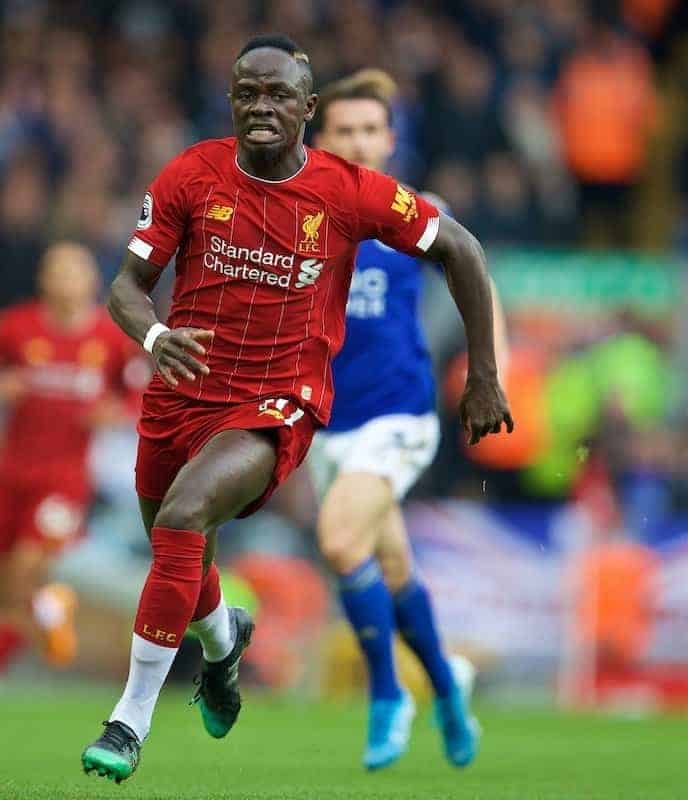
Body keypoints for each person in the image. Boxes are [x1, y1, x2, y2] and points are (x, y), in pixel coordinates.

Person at [80, 35, 512, 784]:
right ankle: (223, 646)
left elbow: (463, 250)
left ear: (306, 109)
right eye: (249, 93)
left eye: (279, 95)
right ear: (232, 101)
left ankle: (129, 721)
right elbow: (125, 284)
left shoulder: (350, 192)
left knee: (186, 517)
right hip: (180, 394)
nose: (262, 108)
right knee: (179, 548)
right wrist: (154, 334)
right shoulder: (191, 173)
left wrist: (483, 375)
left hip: (280, 402)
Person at [306, 68, 510, 771]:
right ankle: (449, 688)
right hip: (324, 424)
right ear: (320, 139)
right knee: (390, 565)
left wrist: (491, 375)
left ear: (390, 139)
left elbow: (474, 276)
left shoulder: (415, 210)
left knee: (339, 540)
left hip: (399, 415)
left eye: (371, 130)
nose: (361, 143)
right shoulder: (299, 213)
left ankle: (390, 693)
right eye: (346, 131)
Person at [0, 242, 146, 731]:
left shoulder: (111, 339)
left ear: (91, 280)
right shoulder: (13, 328)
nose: (66, 280)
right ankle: (49, 611)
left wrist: (115, 413)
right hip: (10, 475)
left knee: (23, 572)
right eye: (57, 271)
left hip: (64, 481)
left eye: (75, 271)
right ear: (43, 279)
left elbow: (144, 396)